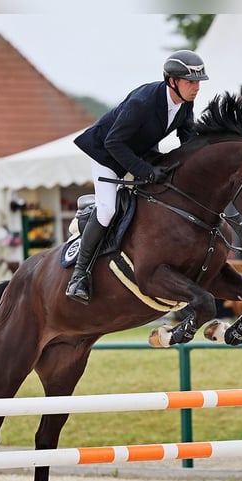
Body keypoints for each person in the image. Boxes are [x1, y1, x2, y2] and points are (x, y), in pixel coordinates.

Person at [65, 49, 209, 304]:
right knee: (108, 209)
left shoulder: (185, 102)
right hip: (106, 153)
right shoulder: (143, 102)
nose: (196, 88)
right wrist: (145, 171)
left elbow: (188, 139)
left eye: (198, 82)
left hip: (139, 151)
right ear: (172, 81)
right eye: (190, 82)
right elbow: (114, 142)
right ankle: (80, 276)